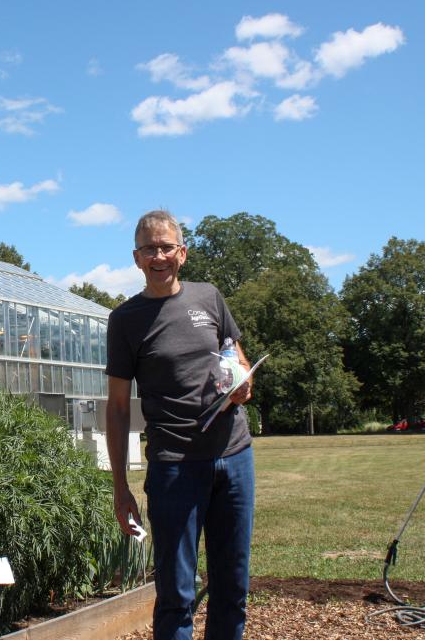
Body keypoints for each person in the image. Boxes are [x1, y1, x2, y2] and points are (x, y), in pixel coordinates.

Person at [105, 210, 255, 640]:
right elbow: (117, 408)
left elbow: (238, 358)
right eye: (149, 248)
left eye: (166, 246)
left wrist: (244, 383)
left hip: (235, 458)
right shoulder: (126, 320)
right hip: (174, 467)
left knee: (232, 586)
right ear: (136, 258)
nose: (158, 256)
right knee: (176, 593)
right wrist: (121, 486)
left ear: (182, 253)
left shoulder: (209, 298)